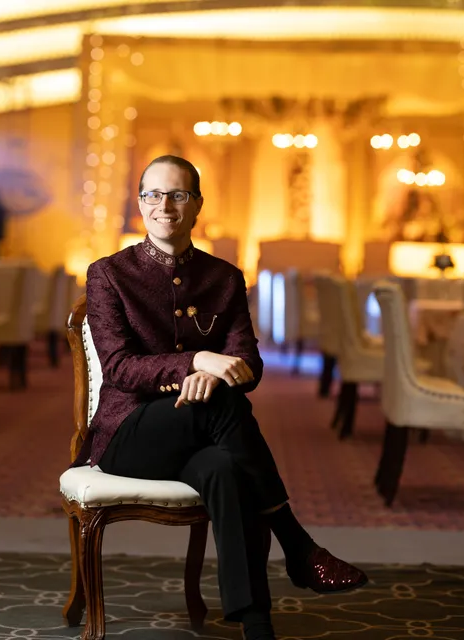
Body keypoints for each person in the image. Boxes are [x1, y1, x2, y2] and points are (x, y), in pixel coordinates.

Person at [73, 155, 367, 640]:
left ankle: (256, 623)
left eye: (178, 195)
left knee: (229, 469)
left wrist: (212, 374)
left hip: (206, 430)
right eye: (153, 194)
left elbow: (249, 365)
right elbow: (120, 368)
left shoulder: (225, 278)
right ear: (140, 203)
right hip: (130, 432)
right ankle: (296, 544)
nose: (164, 205)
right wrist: (197, 361)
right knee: (224, 406)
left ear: (197, 205)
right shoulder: (109, 274)